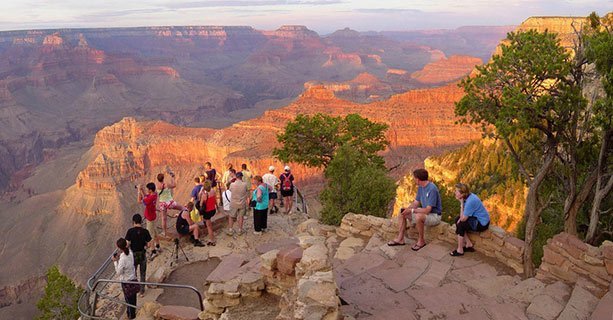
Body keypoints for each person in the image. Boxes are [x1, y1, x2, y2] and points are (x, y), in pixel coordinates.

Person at [387, 169, 442, 251]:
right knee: (402, 212)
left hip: (434, 216)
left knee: (419, 216)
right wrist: (407, 209)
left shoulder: (432, 189)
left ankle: (421, 241)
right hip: (425, 213)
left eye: (414, 178)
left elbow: (427, 210)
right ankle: (400, 239)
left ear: (418, 179)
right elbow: (416, 203)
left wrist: (412, 211)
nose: (414, 180)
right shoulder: (421, 187)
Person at [450, 183, 490, 256]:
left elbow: (463, 219)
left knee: (461, 224)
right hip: (479, 218)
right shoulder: (468, 197)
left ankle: (460, 250)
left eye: (456, 191)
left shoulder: (470, 201)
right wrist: (460, 219)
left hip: (482, 223)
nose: (455, 192)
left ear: (462, 194)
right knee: (457, 220)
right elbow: (462, 216)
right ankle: (468, 244)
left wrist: (461, 205)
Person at [124, 214, 151, 297]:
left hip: (133, 255)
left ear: (133, 222)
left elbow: (127, 244)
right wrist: (145, 245)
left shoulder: (130, 231)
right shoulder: (145, 231)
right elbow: (149, 244)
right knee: (143, 272)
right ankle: (142, 291)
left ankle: (135, 289)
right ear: (141, 222)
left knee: (134, 272)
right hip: (142, 254)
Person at [112, 238, 138, 319]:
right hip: (133, 278)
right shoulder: (130, 252)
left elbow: (118, 272)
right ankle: (132, 313)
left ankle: (131, 316)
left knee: (128, 300)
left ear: (118, 247)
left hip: (126, 282)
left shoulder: (122, 259)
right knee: (133, 298)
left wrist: (115, 261)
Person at [156, 168, 185, 236]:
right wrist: (173, 178)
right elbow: (174, 185)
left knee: (163, 218)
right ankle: (184, 222)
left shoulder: (156, 186)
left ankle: (164, 232)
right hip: (169, 202)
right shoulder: (166, 185)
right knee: (183, 208)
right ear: (163, 178)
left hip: (162, 204)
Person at [137, 182, 161, 259]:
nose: (147, 190)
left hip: (150, 218)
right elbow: (146, 196)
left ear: (150, 190)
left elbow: (139, 201)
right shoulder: (154, 194)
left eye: (147, 189)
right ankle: (158, 246)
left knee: (150, 236)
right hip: (153, 216)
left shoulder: (150, 198)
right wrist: (142, 190)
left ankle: (153, 251)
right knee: (155, 231)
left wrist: (138, 191)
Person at [199, 181, 217, 246]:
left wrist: (201, 192)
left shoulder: (204, 195)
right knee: (206, 221)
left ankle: (212, 240)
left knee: (209, 227)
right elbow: (215, 200)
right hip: (213, 209)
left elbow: (201, 204)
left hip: (207, 212)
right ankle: (205, 222)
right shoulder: (213, 191)